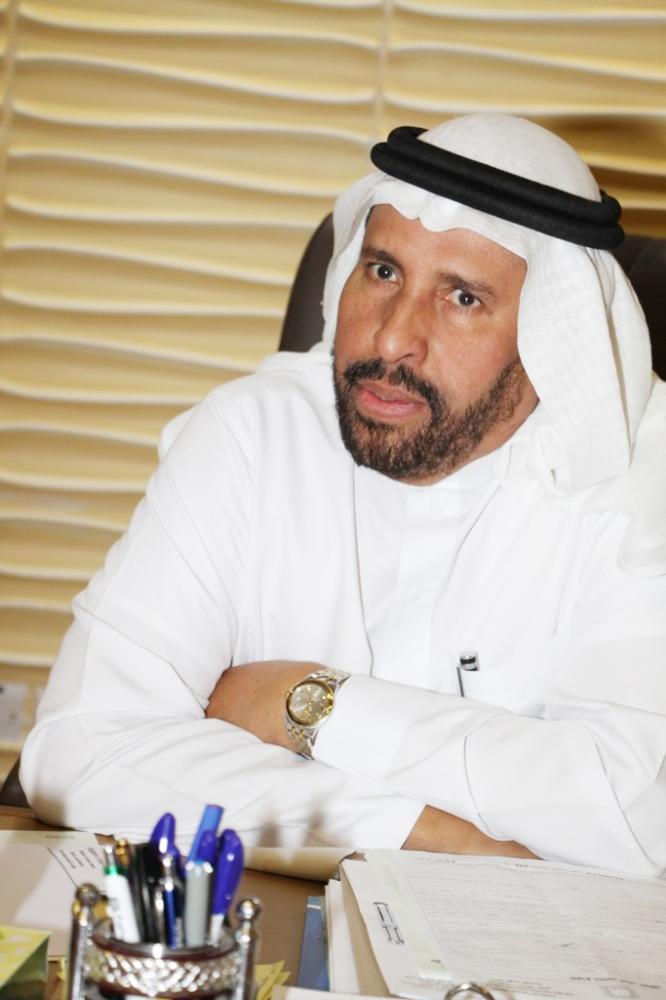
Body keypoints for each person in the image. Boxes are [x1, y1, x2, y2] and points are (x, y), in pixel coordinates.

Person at [21, 115, 666, 877]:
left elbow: (641, 813)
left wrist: (306, 703)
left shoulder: (637, 474)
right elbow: (80, 749)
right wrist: (434, 837)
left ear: (553, 336)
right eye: (383, 271)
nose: (391, 340)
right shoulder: (252, 434)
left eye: (462, 297)